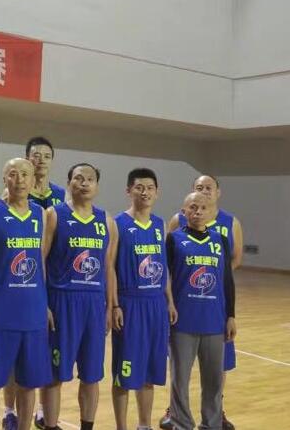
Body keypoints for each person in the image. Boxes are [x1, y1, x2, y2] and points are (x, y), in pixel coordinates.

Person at [159, 175, 243, 430]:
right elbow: (166, 275)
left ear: (210, 211)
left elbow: (227, 280)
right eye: (192, 207)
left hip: (214, 321)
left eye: (203, 207)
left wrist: (231, 315)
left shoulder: (220, 240)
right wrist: (169, 303)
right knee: (180, 380)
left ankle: (212, 423)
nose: (198, 211)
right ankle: (181, 423)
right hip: (183, 320)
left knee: (214, 381)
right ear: (184, 211)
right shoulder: (174, 239)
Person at [0, 159, 53, 430]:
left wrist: (44, 303)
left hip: (32, 313)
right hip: (0, 313)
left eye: (25, 175)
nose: (19, 180)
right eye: (13, 174)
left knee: (29, 383)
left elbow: (39, 261)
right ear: (5, 179)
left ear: (33, 180)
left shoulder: (40, 214)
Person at [41, 163, 117, 430]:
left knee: (92, 375)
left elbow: (108, 268)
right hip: (62, 301)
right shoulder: (54, 214)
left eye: (90, 179)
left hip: (94, 304)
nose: (84, 183)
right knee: (55, 374)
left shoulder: (107, 221)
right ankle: (50, 425)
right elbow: (40, 259)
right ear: (69, 183)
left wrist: (110, 307)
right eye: (78, 178)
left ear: (97, 185)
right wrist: (43, 303)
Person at [4, 136, 65, 430]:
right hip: (22, 281)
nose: (40, 160)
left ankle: (43, 410)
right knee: (16, 353)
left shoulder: (61, 196)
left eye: (46, 156)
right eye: (35, 155)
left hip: (55, 281)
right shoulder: (13, 192)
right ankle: (9, 410)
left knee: (45, 353)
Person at [110, 169, 177, 430]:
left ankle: (144, 425)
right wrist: (114, 304)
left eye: (150, 188)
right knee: (124, 375)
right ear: (129, 191)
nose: (145, 192)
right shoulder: (117, 223)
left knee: (149, 373)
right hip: (130, 303)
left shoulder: (160, 224)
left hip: (156, 305)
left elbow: (164, 267)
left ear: (157, 192)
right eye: (139, 187)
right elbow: (109, 268)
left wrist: (169, 301)